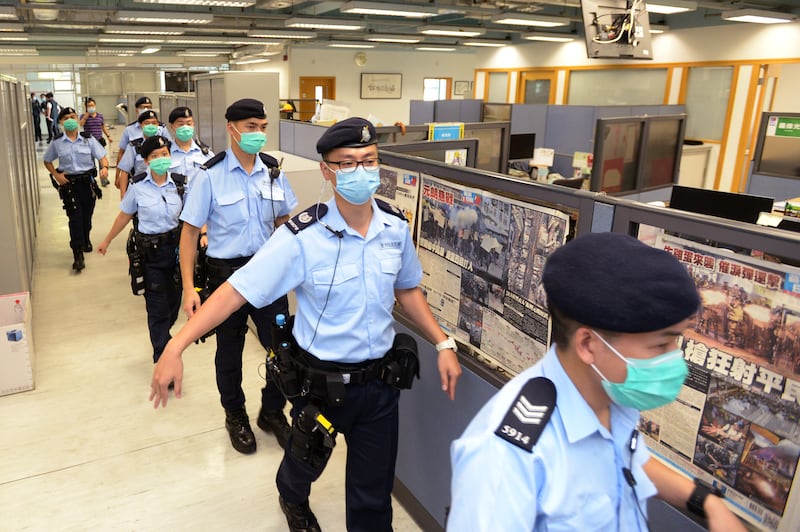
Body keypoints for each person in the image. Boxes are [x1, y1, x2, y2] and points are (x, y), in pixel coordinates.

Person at [150, 117, 462, 532]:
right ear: (327, 171)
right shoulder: (301, 236)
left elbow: (407, 290)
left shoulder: (394, 228)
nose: (361, 171)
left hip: (380, 388)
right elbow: (235, 291)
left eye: (368, 160)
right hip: (323, 388)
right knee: (304, 465)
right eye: (348, 163)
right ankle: (290, 496)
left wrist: (442, 344)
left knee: (373, 498)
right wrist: (175, 346)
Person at [448, 232, 746, 531]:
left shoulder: (609, 397)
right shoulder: (507, 455)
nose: (674, 360)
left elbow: (625, 459)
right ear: (589, 345)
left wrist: (707, 502)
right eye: (660, 346)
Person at [172, 98, 298, 456]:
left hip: (268, 275)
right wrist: (187, 288)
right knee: (229, 352)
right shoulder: (209, 176)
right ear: (232, 129)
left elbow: (285, 224)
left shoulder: (274, 172)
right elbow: (189, 234)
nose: (258, 134)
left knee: (283, 350)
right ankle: (235, 415)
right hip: (226, 277)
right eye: (250, 128)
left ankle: (271, 411)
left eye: (262, 127)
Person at [97, 136, 184, 365]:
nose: (160, 159)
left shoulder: (180, 184)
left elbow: (192, 218)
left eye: (164, 154)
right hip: (151, 257)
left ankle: (164, 337)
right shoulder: (137, 187)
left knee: (173, 305)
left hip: (175, 254)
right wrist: (107, 240)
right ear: (146, 161)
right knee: (157, 309)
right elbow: (124, 215)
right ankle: (162, 356)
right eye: (154, 156)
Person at [43, 106, 109, 272]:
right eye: (66, 118)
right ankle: (77, 254)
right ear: (60, 122)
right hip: (69, 185)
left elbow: (102, 156)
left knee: (87, 216)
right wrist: (56, 175)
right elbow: (47, 160)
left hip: (87, 183)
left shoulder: (88, 139)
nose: (70, 120)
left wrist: (105, 168)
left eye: (73, 116)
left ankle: (86, 238)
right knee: (75, 218)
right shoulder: (57, 142)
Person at [117, 110, 165, 197]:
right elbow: (124, 172)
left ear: (158, 124)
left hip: (162, 190)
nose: (151, 126)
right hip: (140, 191)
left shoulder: (165, 146)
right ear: (141, 125)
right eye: (147, 123)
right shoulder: (134, 146)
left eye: (154, 123)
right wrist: (123, 197)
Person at [80, 97, 113, 186]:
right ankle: (91, 180)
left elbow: (103, 127)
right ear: (86, 107)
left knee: (102, 161)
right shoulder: (84, 116)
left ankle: (104, 179)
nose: (91, 107)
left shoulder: (100, 116)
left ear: (95, 105)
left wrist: (108, 136)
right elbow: (80, 124)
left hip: (99, 141)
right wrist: (85, 118)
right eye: (88, 106)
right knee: (90, 163)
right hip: (88, 142)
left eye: (92, 105)